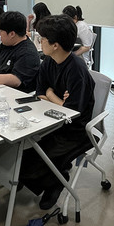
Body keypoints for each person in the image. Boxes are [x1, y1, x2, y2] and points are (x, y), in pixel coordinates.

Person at [19, 14, 96, 209]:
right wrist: (56, 98)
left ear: (55, 45)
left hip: (74, 130)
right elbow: (40, 92)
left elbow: (71, 112)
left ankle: (56, 181)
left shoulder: (76, 69)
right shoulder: (49, 61)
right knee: (22, 152)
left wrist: (51, 94)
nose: (40, 42)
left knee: (36, 159)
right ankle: (41, 178)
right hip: (51, 119)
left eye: (43, 39)